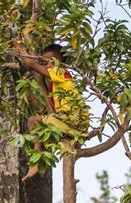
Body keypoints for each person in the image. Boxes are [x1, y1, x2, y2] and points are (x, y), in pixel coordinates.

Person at [11, 41, 90, 181]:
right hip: (74, 124)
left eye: (48, 62)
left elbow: (30, 64)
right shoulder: (60, 82)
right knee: (42, 123)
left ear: (58, 63)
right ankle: (42, 155)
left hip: (74, 122)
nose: (46, 66)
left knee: (33, 121)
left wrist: (19, 47)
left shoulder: (60, 72)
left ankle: (36, 162)